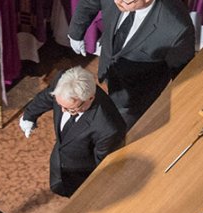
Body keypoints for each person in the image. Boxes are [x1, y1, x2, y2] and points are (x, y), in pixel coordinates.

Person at [67, 0, 196, 123]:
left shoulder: (176, 29)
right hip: (109, 65)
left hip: (135, 93)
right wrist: (76, 33)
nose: (116, 1)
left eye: (124, 0)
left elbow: (183, 74)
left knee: (120, 131)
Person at [19, 66, 126, 196]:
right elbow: (47, 97)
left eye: (71, 109)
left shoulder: (108, 128)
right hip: (60, 158)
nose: (63, 111)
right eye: (60, 105)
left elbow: (103, 165)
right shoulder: (64, 79)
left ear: (90, 98)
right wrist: (29, 115)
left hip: (81, 174)